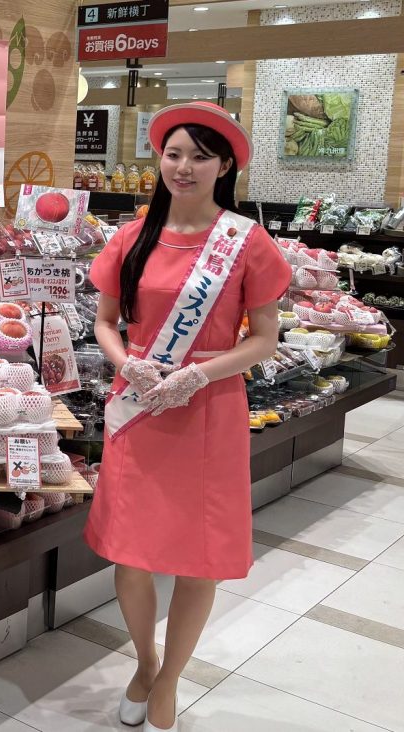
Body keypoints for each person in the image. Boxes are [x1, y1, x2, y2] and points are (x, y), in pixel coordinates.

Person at [83, 101, 291, 732]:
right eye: (173, 154)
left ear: (223, 166)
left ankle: (170, 679)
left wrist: (200, 374)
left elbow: (265, 339)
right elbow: (105, 322)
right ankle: (145, 662)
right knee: (131, 553)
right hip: (140, 404)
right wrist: (129, 363)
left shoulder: (246, 241)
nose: (183, 167)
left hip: (209, 408)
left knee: (199, 556)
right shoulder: (132, 237)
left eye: (200, 156)